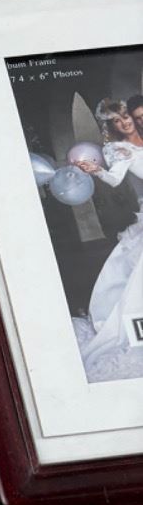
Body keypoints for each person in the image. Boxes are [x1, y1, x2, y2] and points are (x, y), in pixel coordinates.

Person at [66, 98, 143, 383]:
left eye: (128, 117)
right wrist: (95, 170)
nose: (126, 123)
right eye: (118, 121)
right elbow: (114, 179)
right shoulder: (121, 150)